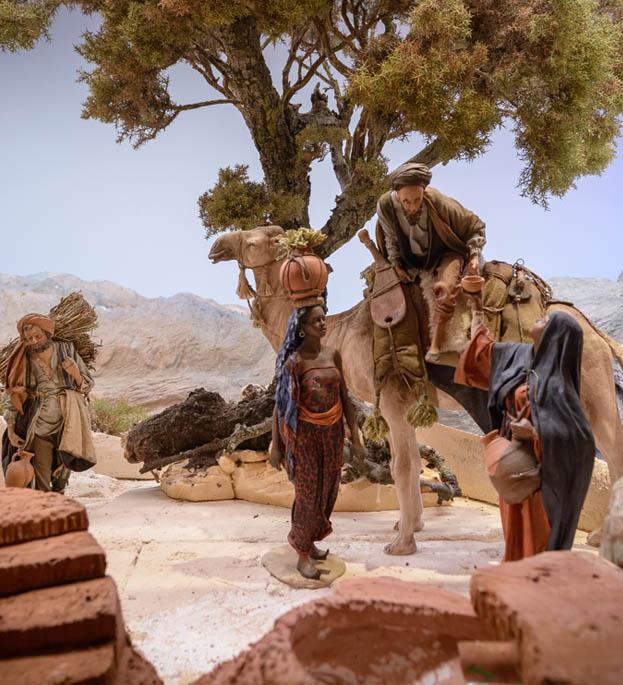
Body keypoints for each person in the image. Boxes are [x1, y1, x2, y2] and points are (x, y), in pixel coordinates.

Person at [454, 299, 595, 561]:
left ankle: (536, 585)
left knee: (535, 538)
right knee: (513, 530)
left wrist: (535, 434)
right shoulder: (517, 356)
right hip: (511, 462)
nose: (541, 318)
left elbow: (579, 439)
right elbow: (482, 353)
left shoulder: (559, 388)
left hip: (536, 477)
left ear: (555, 337)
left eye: (548, 321)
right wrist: (474, 303)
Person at [269, 301, 365, 579]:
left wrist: (355, 437)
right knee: (307, 495)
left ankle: (309, 543)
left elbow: (345, 398)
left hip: (332, 434)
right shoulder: (294, 362)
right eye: (316, 321)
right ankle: (301, 554)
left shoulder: (333, 354)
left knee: (327, 490)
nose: (323, 324)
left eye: (323, 319)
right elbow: (280, 404)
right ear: (301, 329)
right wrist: (277, 445)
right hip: (304, 437)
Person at [376, 162, 486, 360]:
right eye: (406, 202)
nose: (412, 207)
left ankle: (437, 344)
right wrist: (396, 264)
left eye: (417, 200)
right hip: (412, 261)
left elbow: (474, 225)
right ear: (397, 196)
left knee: (445, 287)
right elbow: (390, 239)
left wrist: (474, 255)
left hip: (446, 253)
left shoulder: (437, 202)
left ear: (424, 192)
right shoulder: (385, 206)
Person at [2, 313, 95, 492]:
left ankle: (59, 497)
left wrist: (75, 373)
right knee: (41, 470)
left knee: (64, 468)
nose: (35, 341)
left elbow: (87, 384)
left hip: (68, 419)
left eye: (38, 336)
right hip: (38, 423)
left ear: (47, 333)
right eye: (29, 339)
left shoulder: (66, 349)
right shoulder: (23, 358)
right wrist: (12, 430)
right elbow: (12, 395)